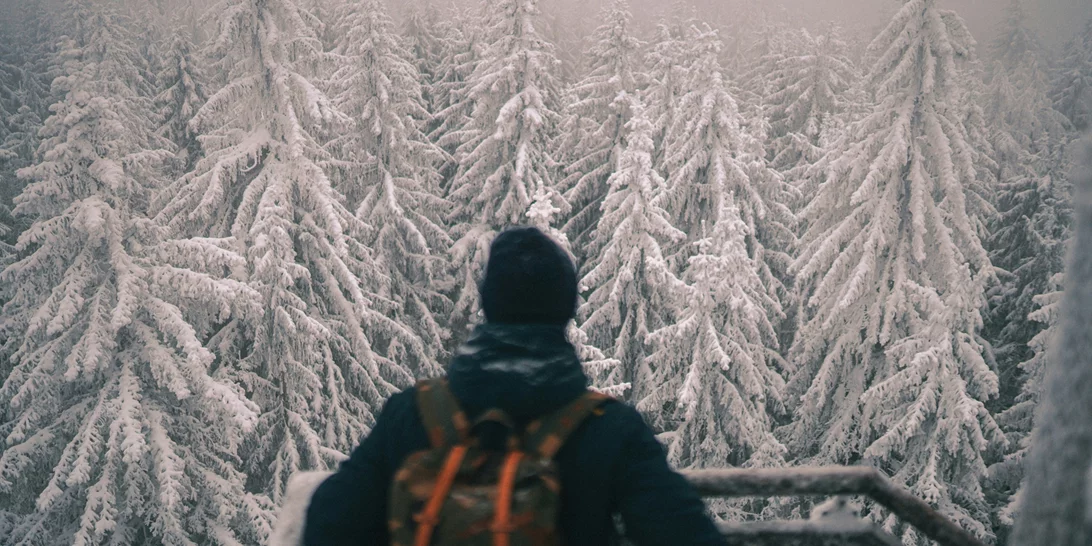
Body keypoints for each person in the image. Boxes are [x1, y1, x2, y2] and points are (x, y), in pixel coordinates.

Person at [302, 226, 723, 546]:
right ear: (567, 310)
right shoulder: (611, 431)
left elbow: (328, 524)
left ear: (488, 305)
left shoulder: (410, 414)